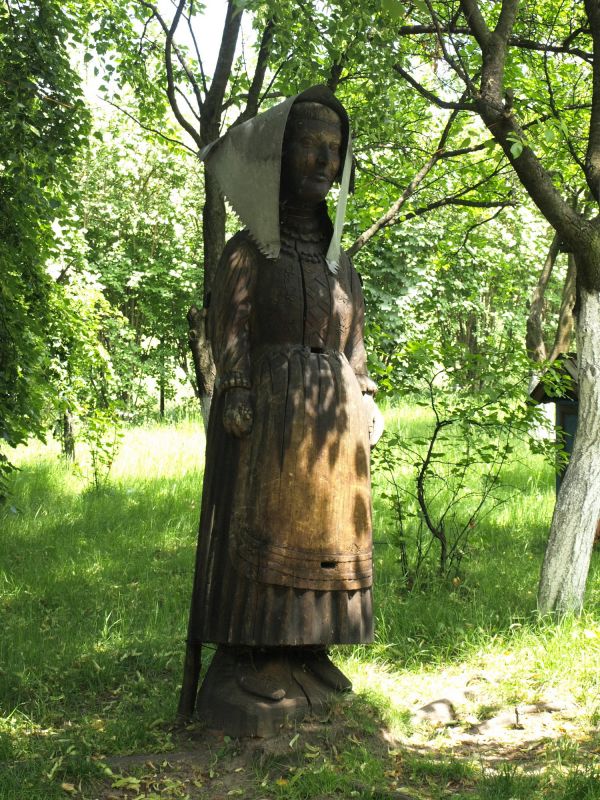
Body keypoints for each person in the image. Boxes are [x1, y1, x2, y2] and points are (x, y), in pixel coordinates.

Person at [178, 85, 381, 734]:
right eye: (309, 147)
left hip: (333, 425)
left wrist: (365, 394)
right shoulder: (248, 251)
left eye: (334, 150)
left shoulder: (338, 260)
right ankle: (257, 654)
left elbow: (353, 337)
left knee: (328, 535)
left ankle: (310, 649)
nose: (324, 161)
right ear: (277, 157)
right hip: (274, 416)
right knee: (269, 531)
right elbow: (231, 327)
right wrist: (236, 387)